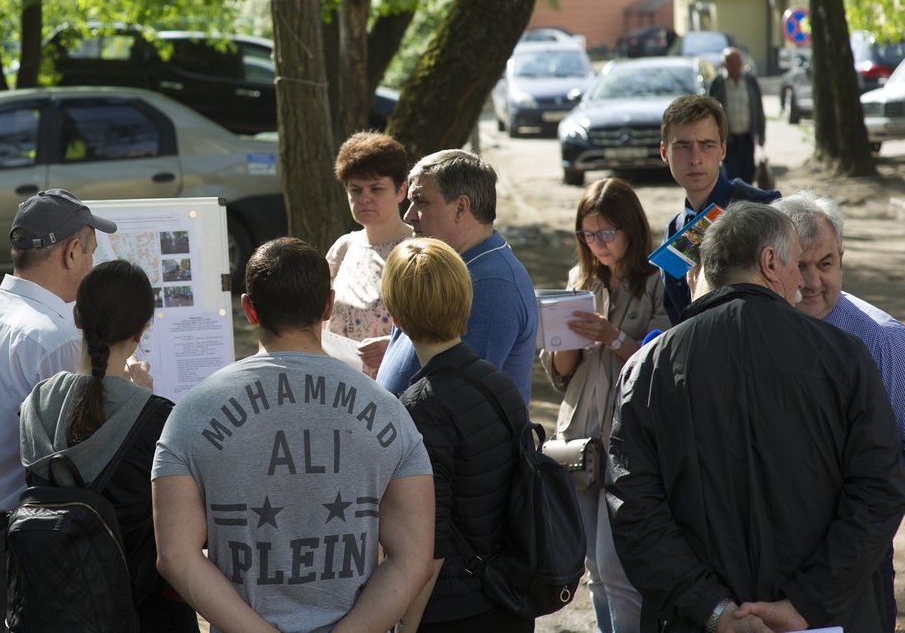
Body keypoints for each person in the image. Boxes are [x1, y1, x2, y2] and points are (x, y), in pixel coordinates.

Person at [607, 201, 905, 633]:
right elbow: (880, 490)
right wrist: (805, 605)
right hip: (826, 620)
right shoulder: (843, 357)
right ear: (769, 262)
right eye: (795, 267)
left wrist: (716, 611)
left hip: (699, 621)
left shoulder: (648, 367)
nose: (802, 285)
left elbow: (635, 513)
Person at [151, 238, 436, 633]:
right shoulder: (391, 412)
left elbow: (176, 557)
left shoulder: (190, 413)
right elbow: (414, 558)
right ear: (328, 306)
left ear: (249, 308)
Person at [0, 189, 121, 633]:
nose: (91, 264)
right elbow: (74, 460)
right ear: (72, 252)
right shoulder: (58, 338)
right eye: (90, 251)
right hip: (23, 539)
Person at [20, 259, 198, 631]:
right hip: (139, 612)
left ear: (78, 319)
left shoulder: (36, 403)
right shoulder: (158, 419)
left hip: (51, 606)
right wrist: (143, 399)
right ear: (141, 332)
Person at [773, 189, 905, 632]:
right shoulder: (753, 336)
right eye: (799, 265)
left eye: (825, 264)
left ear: (842, 259)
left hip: (856, 566)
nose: (811, 282)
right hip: (766, 558)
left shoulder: (883, 342)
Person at [539, 178, 668, 633]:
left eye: (607, 233)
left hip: (625, 436)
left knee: (618, 568)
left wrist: (611, 337)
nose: (598, 244)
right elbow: (561, 374)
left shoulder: (655, 280)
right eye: (588, 235)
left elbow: (661, 362)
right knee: (591, 567)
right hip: (577, 434)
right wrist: (560, 338)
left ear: (631, 228)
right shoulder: (580, 280)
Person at [388, 238, 532, 633]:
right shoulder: (501, 384)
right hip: (510, 597)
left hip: (455, 608)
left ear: (396, 317)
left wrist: (406, 625)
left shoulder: (420, 409)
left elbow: (427, 545)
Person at [374, 149, 538, 401]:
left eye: (421, 201)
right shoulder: (450, 265)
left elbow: (462, 399)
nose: (408, 215)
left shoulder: (492, 285)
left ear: (461, 207)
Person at [658, 94, 779, 325]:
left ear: (723, 150)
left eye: (706, 145)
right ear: (665, 153)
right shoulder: (674, 232)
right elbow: (679, 318)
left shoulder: (763, 208)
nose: (695, 158)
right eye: (683, 146)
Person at [325, 132, 413, 374]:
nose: (364, 199)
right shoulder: (342, 248)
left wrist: (398, 348)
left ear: (400, 191)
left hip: (394, 392)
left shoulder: (421, 250)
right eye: (355, 190)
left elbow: (446, 329)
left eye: (376, 189)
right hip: (339, 392)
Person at [707, 47, 765, 184]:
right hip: (728, 140)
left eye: (737, 62)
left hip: (747, 138)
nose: (734, 66)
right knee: (732, 176)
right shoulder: (717, 83)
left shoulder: (750, 81)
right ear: (724, 64)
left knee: (748, 173)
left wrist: (761, 134)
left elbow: (758, 108)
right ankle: (734, 204)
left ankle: (747, 204)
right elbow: (709, 113)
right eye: (730, 62)